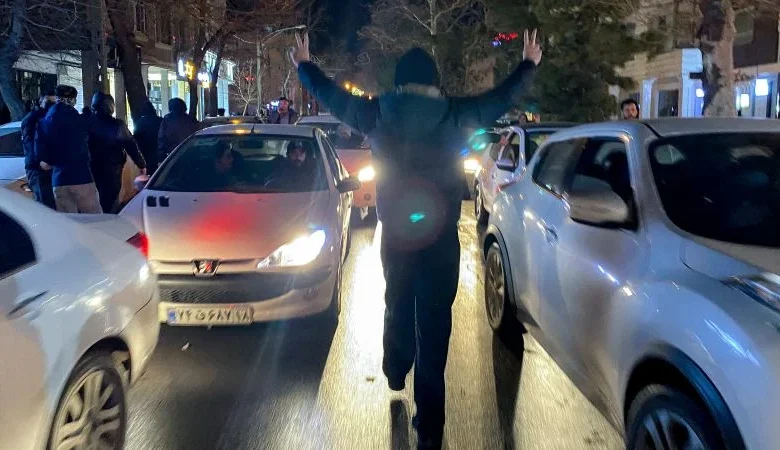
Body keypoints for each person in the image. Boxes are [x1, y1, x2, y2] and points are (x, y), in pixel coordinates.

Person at [290, 30, 541, 449]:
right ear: (433, 81)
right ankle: (430, 424)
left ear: (400, 81)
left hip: (397, 234)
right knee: (435, 321)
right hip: (441, 236)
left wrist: (305, 66)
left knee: (397, 300)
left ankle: (395, 365)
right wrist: (528, 63)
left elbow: (333, 98)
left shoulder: (376, 112)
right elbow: (500, 99)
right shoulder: (456, 113)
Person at [36, 85, 102, 214]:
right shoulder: (79, 119)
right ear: (71, 100)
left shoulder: (44, 122)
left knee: (68, 221)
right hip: (81, 177)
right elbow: (96, 130)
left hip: (59, 180)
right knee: (94, 218)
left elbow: (44, 161)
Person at [88, 92, 147, 213]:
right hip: (112, 169)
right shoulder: (117, 125)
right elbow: (131, 145)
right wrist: (141, 164)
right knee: (110, 201)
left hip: (90, 168)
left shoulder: (87, 123)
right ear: (110, 106)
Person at [21, 91, 57, 209]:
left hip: (50, 167)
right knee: (45, 206)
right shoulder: (32, 119)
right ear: (40, 102)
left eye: (54, 102)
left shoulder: (50, 118)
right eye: (49, 102)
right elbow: (30, 144)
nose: (52, 105)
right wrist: (41, 161)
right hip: (38, 169)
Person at [158, 97, 200, 162]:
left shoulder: (167, 120)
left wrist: (161, 155)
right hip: (190, 152)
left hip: (174, 153)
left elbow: (161, 138)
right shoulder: (190, 119)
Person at [134, 101, 163, 173]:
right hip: (158, 150)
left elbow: (137, 138)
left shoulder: (139, 123)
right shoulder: (160, 120)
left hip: (145, 152)